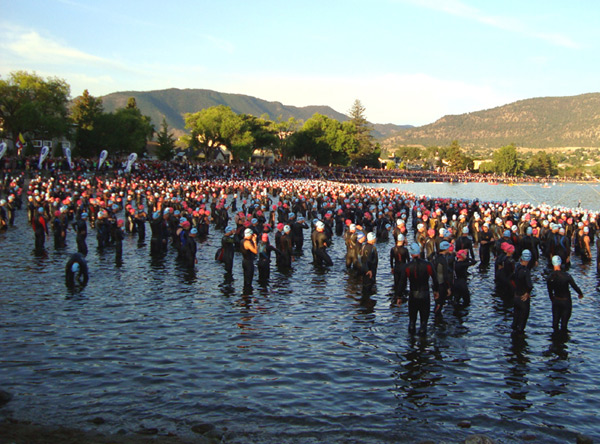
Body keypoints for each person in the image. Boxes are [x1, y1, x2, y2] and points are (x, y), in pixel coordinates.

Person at [400, 243, 439, 336]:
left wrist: (399, 296)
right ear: (420, 253)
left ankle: (411, 344)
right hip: (425, 294)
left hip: (413, 295)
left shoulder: (407, 266)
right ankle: (423, 345)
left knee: (412, 322)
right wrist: (436, 291)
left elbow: (402, 282)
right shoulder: (428, 265)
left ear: (411, 254)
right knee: (423, 323)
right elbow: (435, 278)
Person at [546, 255, 584, 334]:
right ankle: (563, 341)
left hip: (556, 300)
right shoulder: (566, 276)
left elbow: (549, 292)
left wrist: (553, 299)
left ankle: (554, 341)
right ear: (560, 264)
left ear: (553, 264)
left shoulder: (550, 277)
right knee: (564, 325)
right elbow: (575, 287)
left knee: (555, 323)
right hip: (566, 301)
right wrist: (580, 294)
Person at [512, 249, 533, 334]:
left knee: (515, 321)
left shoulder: (517, 267)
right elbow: (530, 285)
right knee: (522, 324)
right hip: (523, 298)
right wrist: (527, 293)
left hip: (516, 296)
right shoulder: (525, 271)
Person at [433, 240, 454, 317]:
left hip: (435, 284)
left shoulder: (435, 257)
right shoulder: (443, 260)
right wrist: (448, 287)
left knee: (437, 303)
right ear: (445, 249)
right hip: (441, 284)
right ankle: (437, 320)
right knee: (439, 304)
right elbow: (445, 274)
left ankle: (436, 320)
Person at [390, 233, 410, 303]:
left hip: (396, 267)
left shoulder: (393, 249)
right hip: (403, 268)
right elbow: (408, 260)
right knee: (403, 283)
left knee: (396, 283)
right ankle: (402, 296)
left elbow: (391, 260)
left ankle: (396, 296)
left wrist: (392, 268)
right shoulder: (405, 250)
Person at [241, 228, 258, 292]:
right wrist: (254, 241)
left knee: (245, 279)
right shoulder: (247, 242)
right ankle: (248, 293)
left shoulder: (242, 241)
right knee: (249, 280)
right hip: (249, 262)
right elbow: (255, 251)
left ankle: (245, 293)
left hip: (244, 261)